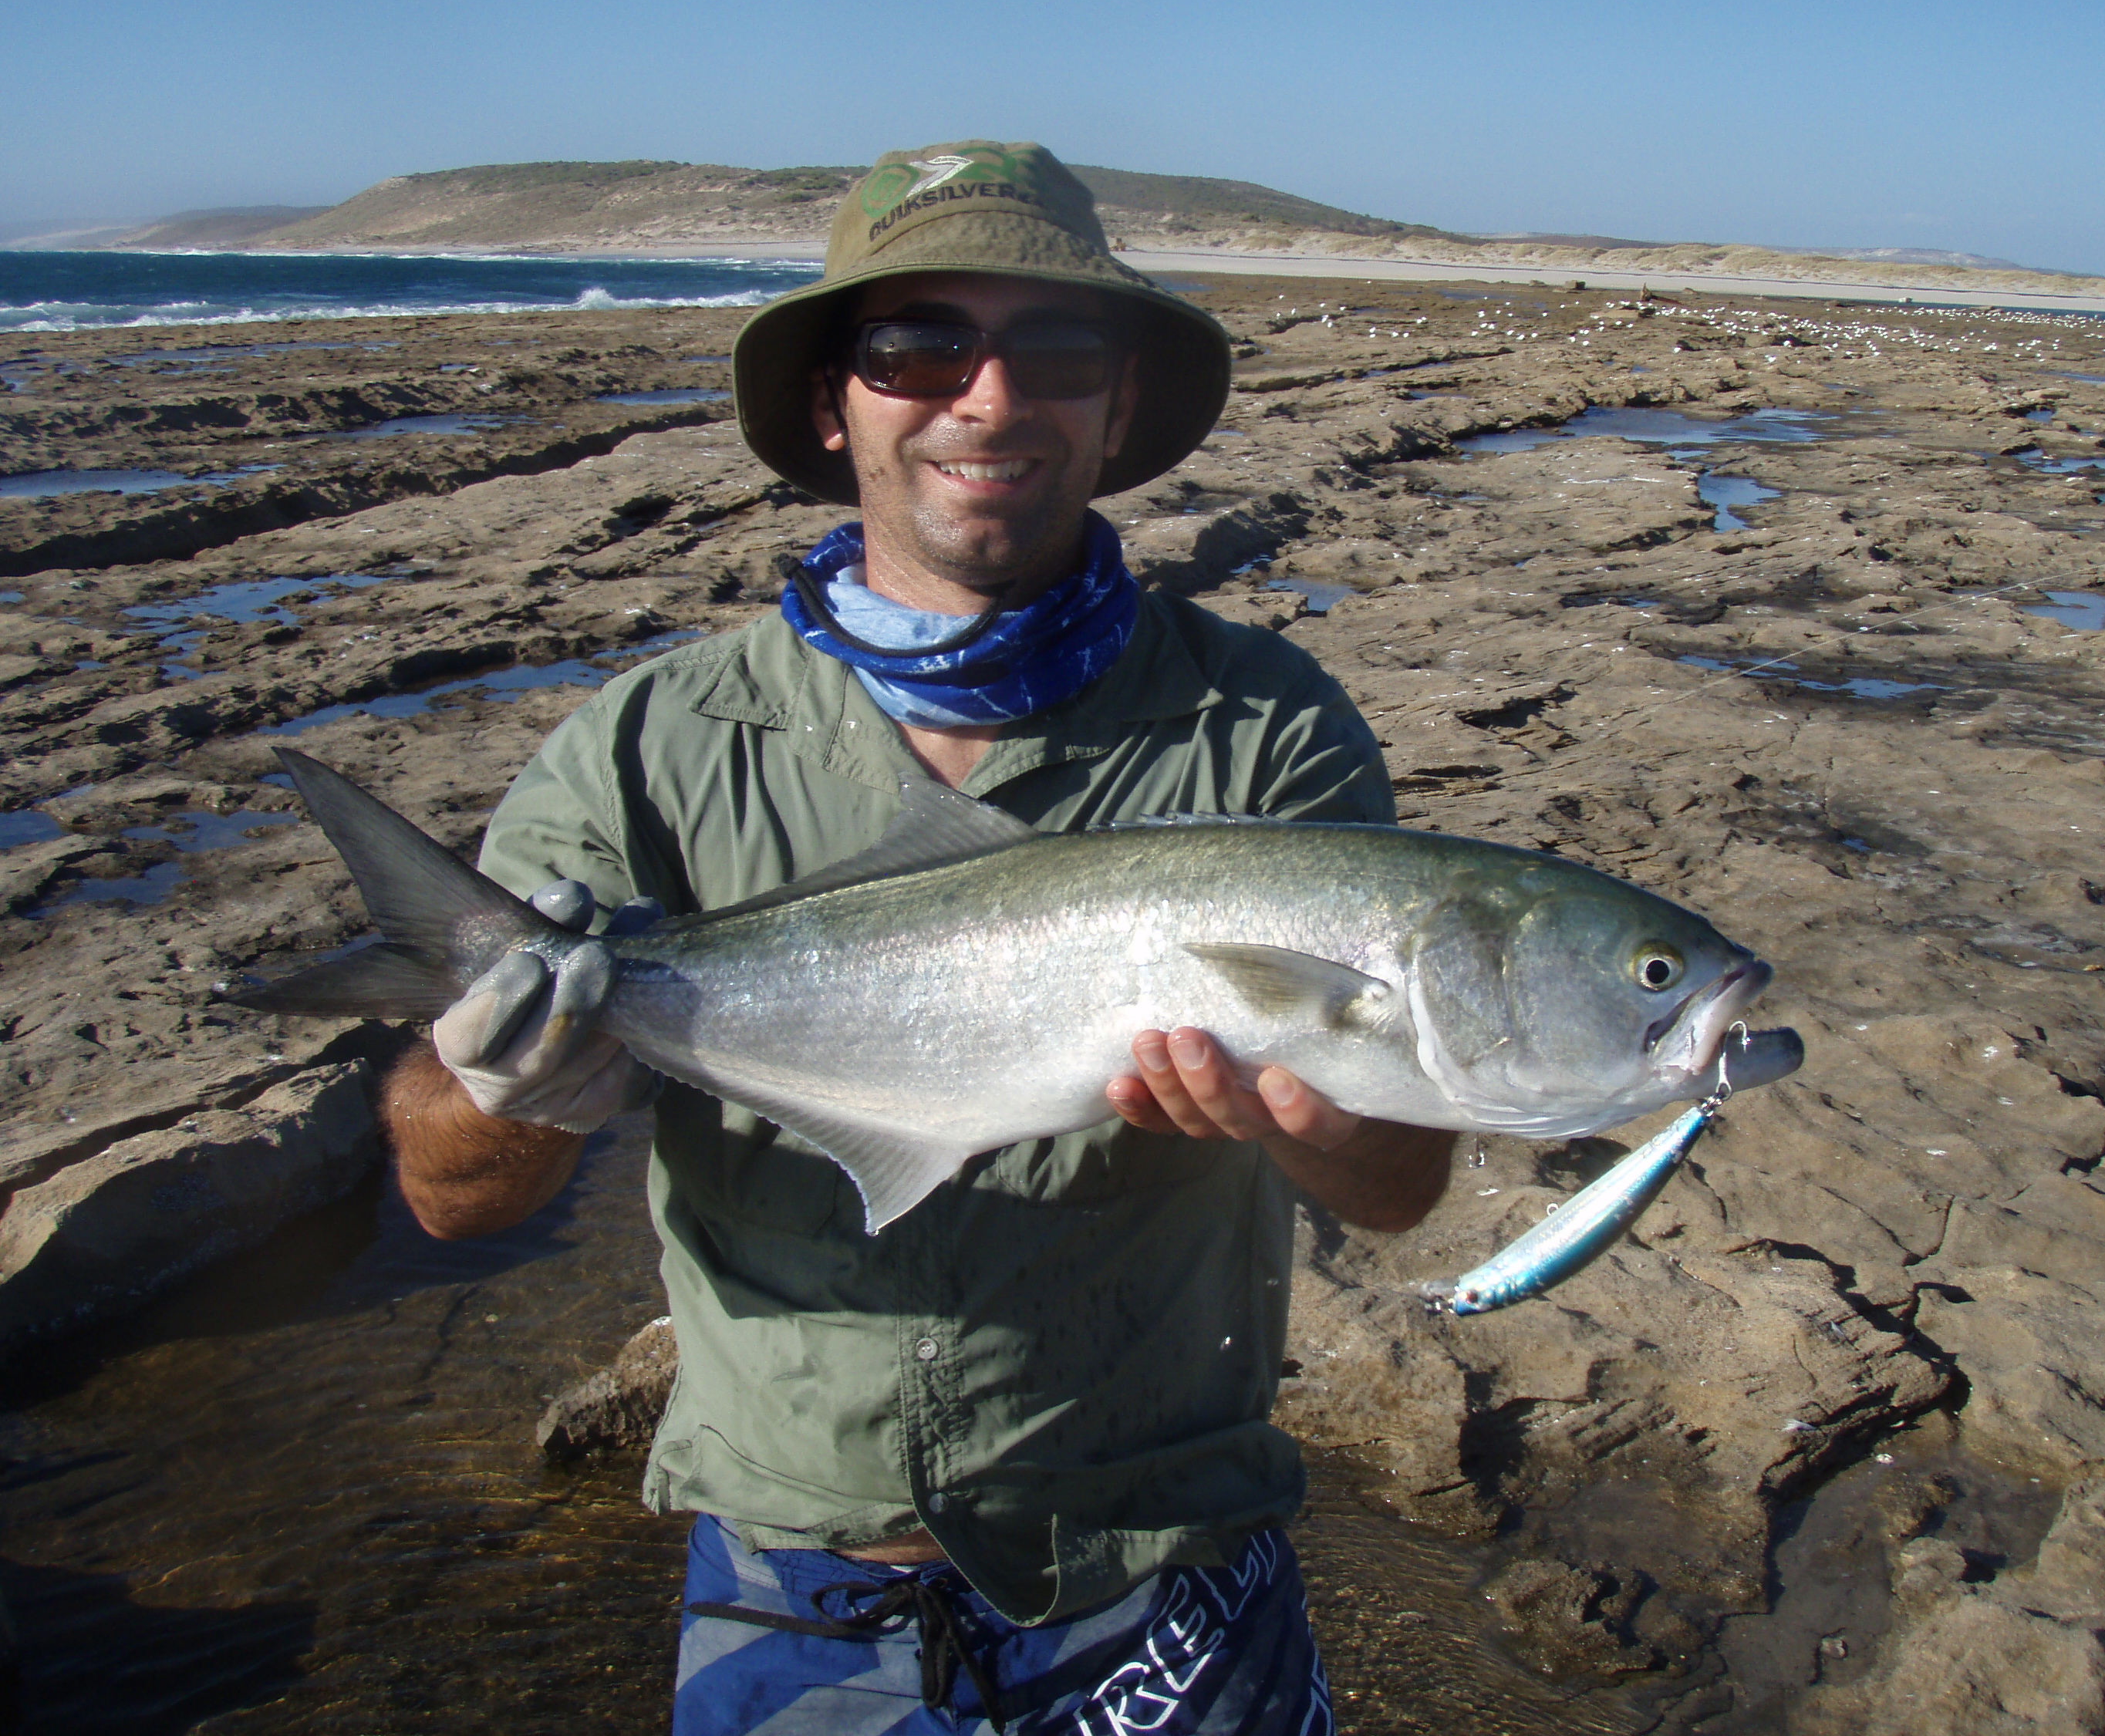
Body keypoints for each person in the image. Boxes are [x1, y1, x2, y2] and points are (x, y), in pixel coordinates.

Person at [378, 140, 1457, 1734]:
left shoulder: (1267, 729)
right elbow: (446, 1195)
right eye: (916, 347)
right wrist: (508, 1090)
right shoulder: (651, 748)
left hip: (1165, 1575)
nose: (989, 398)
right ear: (836, 403)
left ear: (1116, 407)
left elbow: (1401, 1185)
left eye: (1059, 350)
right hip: (795, 1598)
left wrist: (1310, 1114)